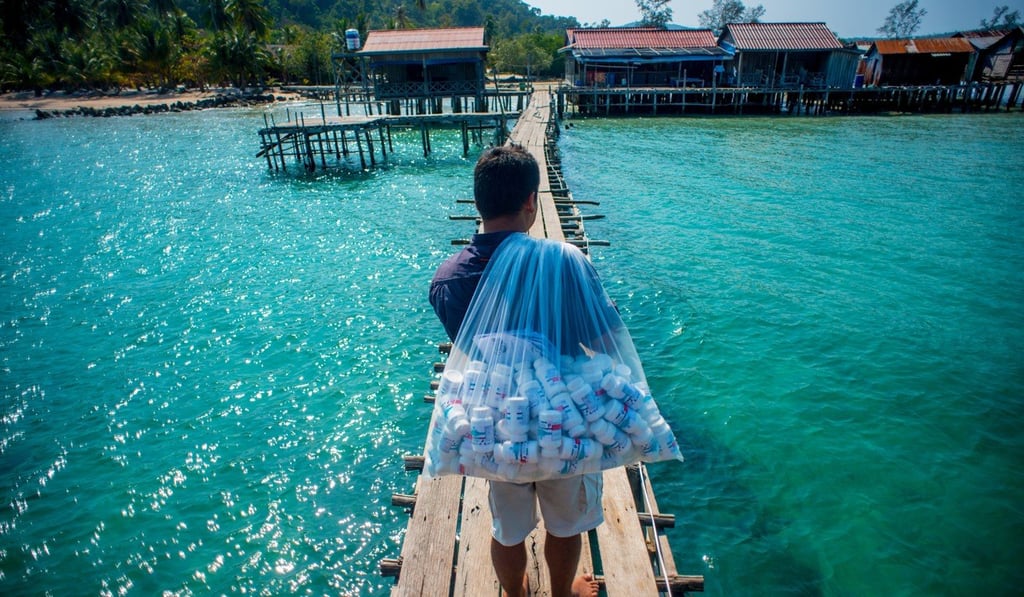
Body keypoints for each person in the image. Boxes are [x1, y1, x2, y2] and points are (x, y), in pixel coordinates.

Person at [429, 145, 602, 597]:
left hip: (496, 426)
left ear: (479, 202)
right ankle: (563, 594)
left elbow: (473, 346)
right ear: (531, 202)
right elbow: (603, 343)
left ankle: (516, 594)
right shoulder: (565, 265)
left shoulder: (448, 279)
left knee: (506, 526)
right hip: (562, 423)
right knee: (565, 524)